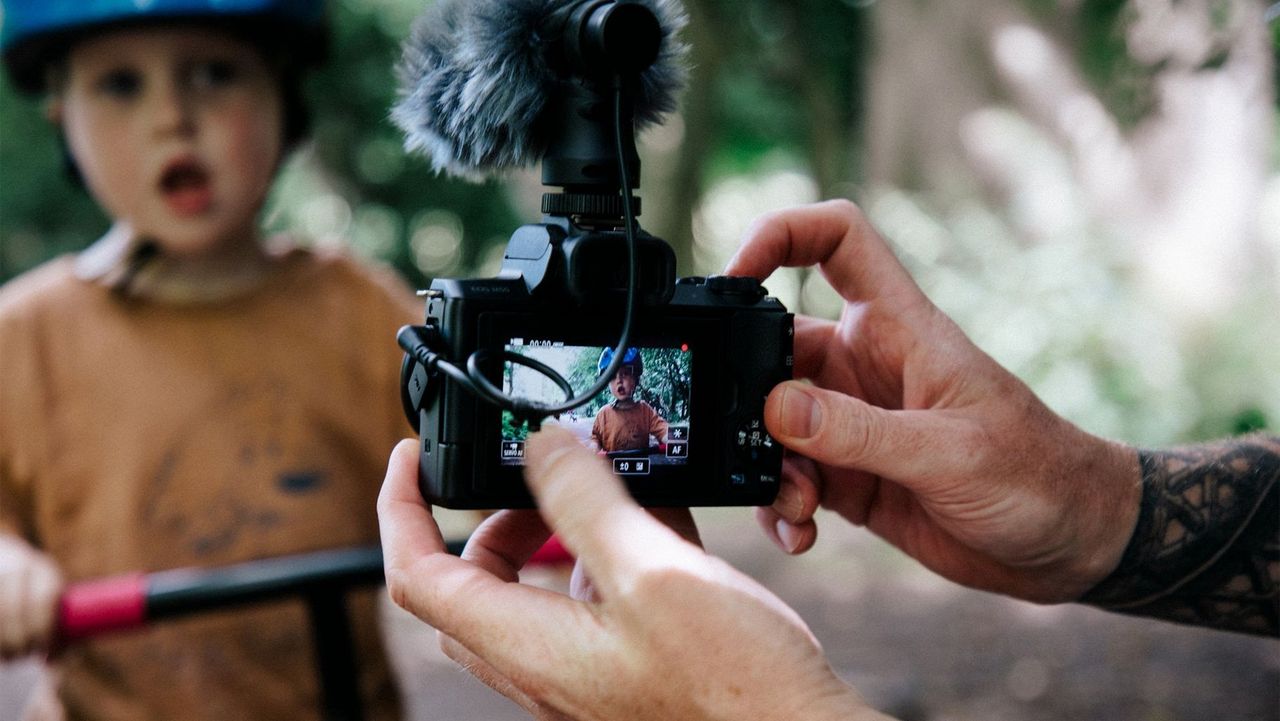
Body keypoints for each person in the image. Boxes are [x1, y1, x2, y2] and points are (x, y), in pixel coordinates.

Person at [377, 199, 1278, 720]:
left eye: (618, 389)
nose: (612, 399)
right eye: (605, 392)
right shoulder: (616, 413)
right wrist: (1099, 510)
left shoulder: (648, 412)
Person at [0, 2, 419, 719]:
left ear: (282, 99)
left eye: (215, 73)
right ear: (62, 120)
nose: (172, 117)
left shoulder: (362, 311)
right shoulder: (25, 336)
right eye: (121, 85)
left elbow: (476, 469)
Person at [589, 348, 669, 454]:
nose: (619, 381)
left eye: (625, 374)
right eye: (612, 377)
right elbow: (595, 438)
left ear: (635, 379)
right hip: (612, 468)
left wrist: (672, 439)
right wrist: (594, 448)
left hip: (640, 467)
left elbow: (663, 430)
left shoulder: (645, 410)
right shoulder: (603, 414)